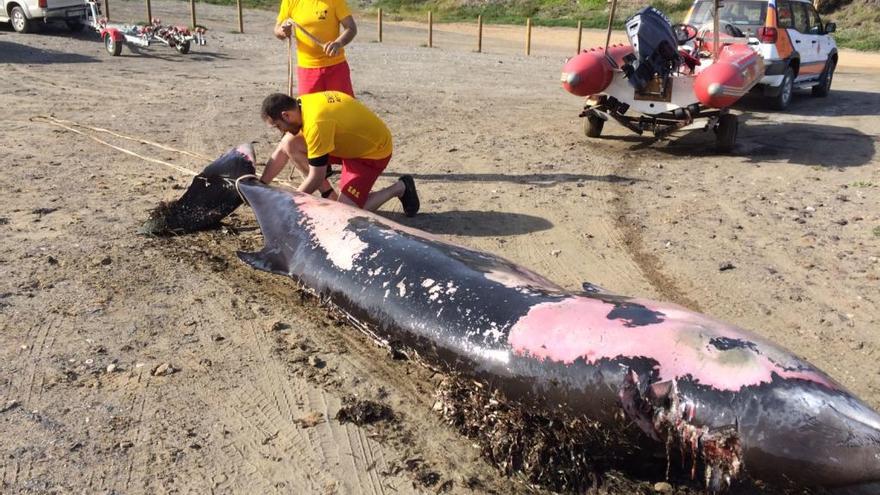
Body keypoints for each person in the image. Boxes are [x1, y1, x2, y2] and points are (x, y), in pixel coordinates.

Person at [260, 92, 420, 216]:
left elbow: (316, 176)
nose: (280, 130)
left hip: (371, 153)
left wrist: (288, 204)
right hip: (347, 143)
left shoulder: (316, 123)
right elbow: (282, 149)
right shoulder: (301, 103)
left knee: (344, 212)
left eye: (277, 126)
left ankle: (400, 187)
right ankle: (329, 195)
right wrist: (260, 185)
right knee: (289, 143)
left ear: (286, 115)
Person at [274, 0, 357, 97]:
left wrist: (338, 43)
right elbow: (277, 30)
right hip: (307, 69)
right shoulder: (290, 1)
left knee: (342, 108)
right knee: (310, 110)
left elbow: (351, 28)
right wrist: (283, 31)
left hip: (336, 66)